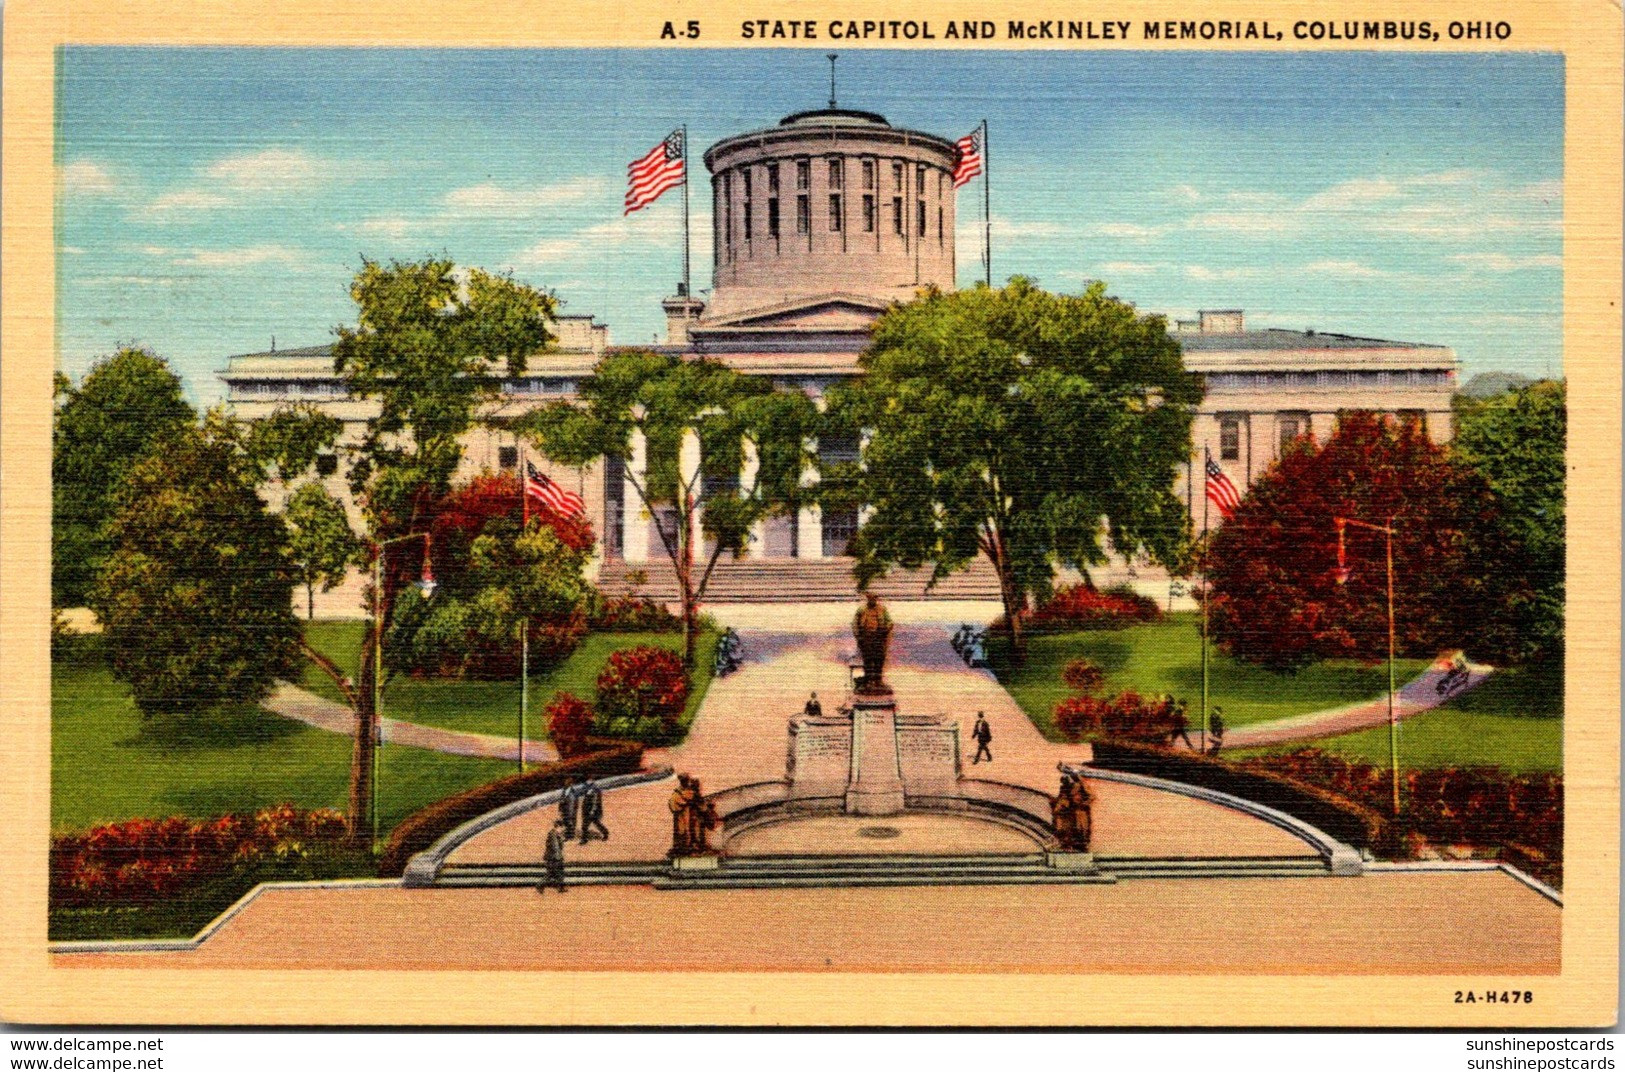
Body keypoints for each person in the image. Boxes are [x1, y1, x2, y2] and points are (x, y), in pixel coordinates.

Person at [538, 819, 567, 894]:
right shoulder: (552, 834)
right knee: (551, 874)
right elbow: (555, 847)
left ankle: (561, 888)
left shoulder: (557, 834)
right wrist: (559, 858)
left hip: (555, 857)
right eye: (561, 828)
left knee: (560, 873)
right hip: (553, 858)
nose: (562, 830)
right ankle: (540, 885)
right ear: (558, 827)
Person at [579, 779, 610, 845]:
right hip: (587, 810)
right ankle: (584, 839)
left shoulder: (595, 790)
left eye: (587, 781)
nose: (586, 783)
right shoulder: (588, 789)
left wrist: (592, 811)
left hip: (593, 812)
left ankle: (605, 833)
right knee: (586, 825)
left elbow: (595, 802)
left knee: (594, 824)